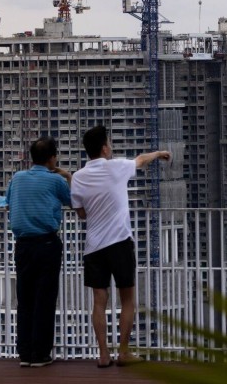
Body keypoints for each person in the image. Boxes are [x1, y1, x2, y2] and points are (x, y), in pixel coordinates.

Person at [71, 124, 170, 368]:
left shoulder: (78, 177)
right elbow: (140, 160)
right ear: (104, 148)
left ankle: (103, 354)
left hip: (94, 246)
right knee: (127, 299)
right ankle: (123, 352)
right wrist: (158, 154)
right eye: (109, 143)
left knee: (98, 301)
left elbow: (81, 213)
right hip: (120, 243)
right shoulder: (116, 168)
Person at [4, 137, 72, 368]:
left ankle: (24, 353)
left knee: (25, 300)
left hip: (22, 245)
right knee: (45, 299)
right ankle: (40, 353)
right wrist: (69, 176)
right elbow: (74, 201)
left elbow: (7, 203)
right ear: (52, 158)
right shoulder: (56, 181)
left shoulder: (17, 178)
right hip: (46, 244)